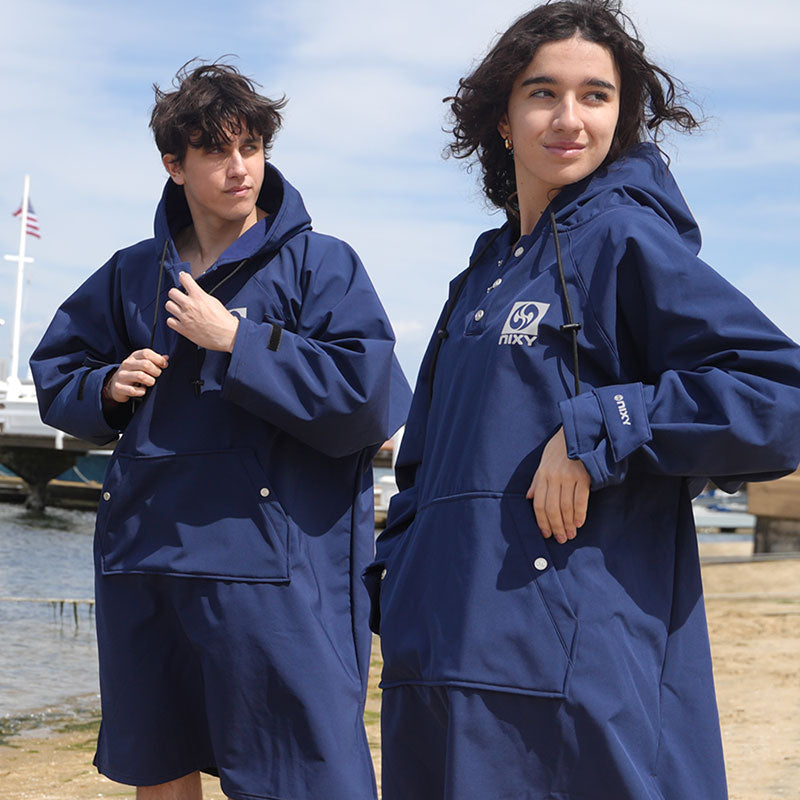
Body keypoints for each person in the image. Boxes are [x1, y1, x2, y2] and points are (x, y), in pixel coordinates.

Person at [366, 2, 800, 799]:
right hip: (439, 667)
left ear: (621, 118)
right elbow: (422, 465)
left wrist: (602, 425)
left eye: (595, 95)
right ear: (503, 119)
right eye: (543, 93)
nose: (570, 118)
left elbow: (778, 398)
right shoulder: (483, 276)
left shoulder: (626, 240)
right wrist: (399, 584)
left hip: (572, 676)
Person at [31, 61, 410, 800]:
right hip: (146, 558)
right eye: (215, 151)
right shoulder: (132, 273)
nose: (239, 168)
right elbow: (57, 374)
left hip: (274, 573)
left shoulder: (321, 264)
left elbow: (370, 399)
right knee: (158, 764)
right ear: (173, 165)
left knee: (301, 775)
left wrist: (238, 341)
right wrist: (105, 387)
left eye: (251, 147)